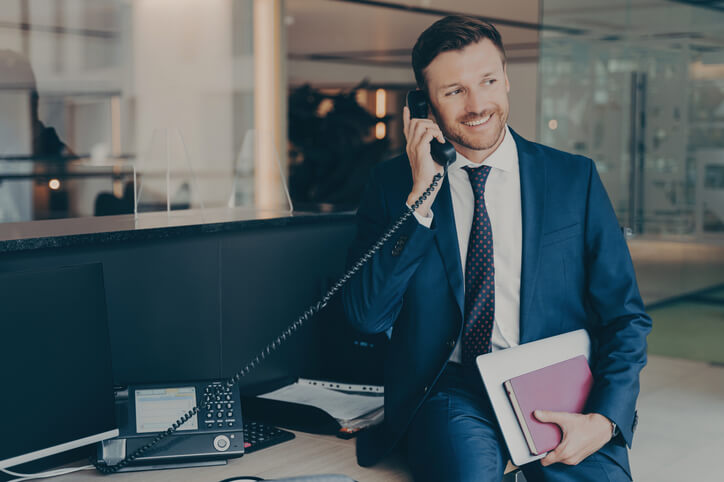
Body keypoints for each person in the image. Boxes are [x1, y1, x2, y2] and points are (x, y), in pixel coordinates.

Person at [342, 16, 651, 482]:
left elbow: (625, 316)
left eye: (487, 81)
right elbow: (366, 315)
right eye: (454, 91)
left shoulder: (574, 179)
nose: (477, 104)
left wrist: (605, 419)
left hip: (554, 380)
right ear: (424, 105)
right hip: (451, 387)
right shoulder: (393, 187)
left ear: (506, 79)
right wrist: (420, 199)